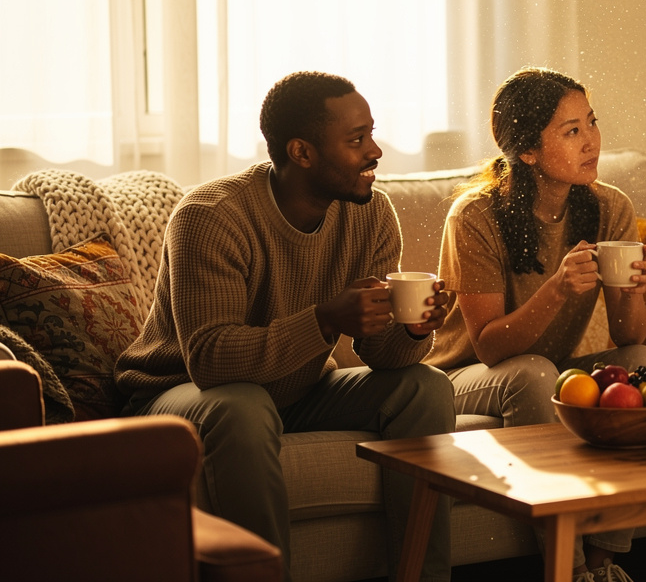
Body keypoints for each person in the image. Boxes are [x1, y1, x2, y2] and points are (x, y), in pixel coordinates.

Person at [114, 71, 456, 582]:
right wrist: (325, 319)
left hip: (297, 391)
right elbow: (210, 360)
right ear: (302, 152)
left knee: (424, 389)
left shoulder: (372, 214)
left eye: (372, 133)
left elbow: (383, 357)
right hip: (175, 396)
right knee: (244, 404)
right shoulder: (211, 216)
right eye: (357, 139)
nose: (375, 151)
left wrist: (410, 331)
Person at [426, 66, 646, 582]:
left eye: (591, 123)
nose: (592, 141)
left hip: (550, 366)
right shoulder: (475, 216)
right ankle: (569, 569)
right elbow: (489, 348)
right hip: (464, 377)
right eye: (571, 130)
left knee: (645, 365)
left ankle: (604, 563)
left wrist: (634, 290)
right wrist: (556, 288)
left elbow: (630, 337)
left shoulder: (609, 206)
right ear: (528, 151)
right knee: (532, 372)